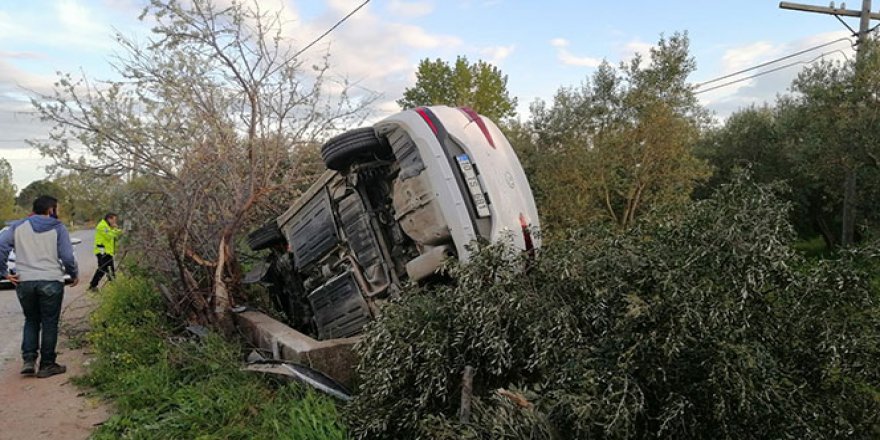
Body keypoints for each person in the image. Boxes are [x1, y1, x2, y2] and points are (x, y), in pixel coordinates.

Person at [0, 195, 79, 378]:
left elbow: (1, 245)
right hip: (51, 280)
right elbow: (67, 256)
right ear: (51, 209)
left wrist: (3, 272)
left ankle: (28, 360)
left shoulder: (17, 226)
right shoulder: (58, 228)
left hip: (24, 281)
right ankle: (47, 364)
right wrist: (73, 274)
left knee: (31, 319)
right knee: (49, 322)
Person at [88, 212, 122, 291]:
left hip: (108, 252)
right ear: (109, 219)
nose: (115, 222)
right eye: (114, 220)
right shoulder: (102, 226)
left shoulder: (107, 226)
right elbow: (109, 236)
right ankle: (93, 285)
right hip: (102, 252)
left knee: (110, 269)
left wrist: (115, 230)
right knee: (103, 269)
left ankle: (113, 285)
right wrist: (116, 230)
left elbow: (114, 237)